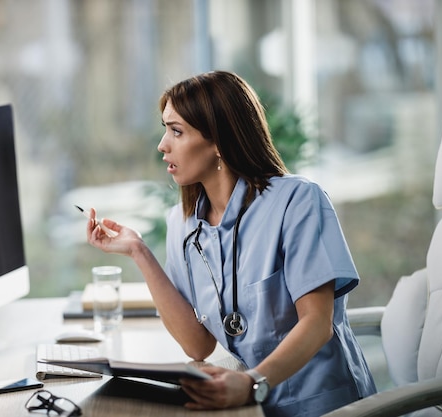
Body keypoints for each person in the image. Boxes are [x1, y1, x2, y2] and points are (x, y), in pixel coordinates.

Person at [85, 70, 376, 417]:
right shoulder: (182, 223)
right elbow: (198, 344)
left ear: (219, 141)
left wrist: (252, 383)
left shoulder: (298, 201)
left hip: (324, 406)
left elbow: (316, 324)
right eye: (165, 130)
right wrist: (139, 251)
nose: (162, 145)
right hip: (249, 405)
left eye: (176, 131)